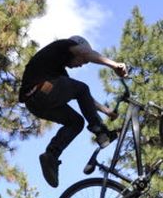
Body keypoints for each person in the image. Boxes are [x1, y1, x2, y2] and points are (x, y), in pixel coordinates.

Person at [19, 35, 128, 188]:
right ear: (77, 48)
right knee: (81, 88)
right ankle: (101, 132)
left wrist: (106, 111)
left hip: (35, 103)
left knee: (76, 122)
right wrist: (114, 65)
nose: (82, 64)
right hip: (41, 89)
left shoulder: (57, 70)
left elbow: (84, 96)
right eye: (84, 60)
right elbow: (85, 57)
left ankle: (51, 155)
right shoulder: (64, 45)